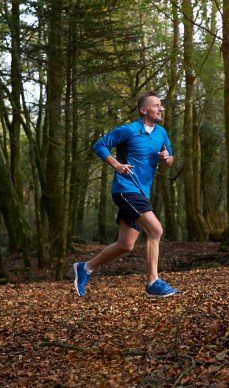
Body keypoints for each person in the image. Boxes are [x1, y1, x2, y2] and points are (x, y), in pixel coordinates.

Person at [73, 91, 178, 299]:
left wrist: (166, 158)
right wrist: (117, 164)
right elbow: (99, 145)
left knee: (126, 244)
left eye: (160, 105)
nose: (160, 108)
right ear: (143, 110)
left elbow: (170, 159)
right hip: (125, 189)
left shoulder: (161, 133)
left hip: (141, 193)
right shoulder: (128, 130)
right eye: (156, 105)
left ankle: (85, 268)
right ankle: (153, 283)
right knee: (156, 230)